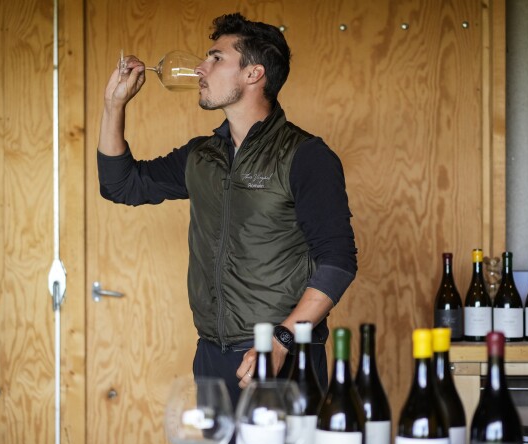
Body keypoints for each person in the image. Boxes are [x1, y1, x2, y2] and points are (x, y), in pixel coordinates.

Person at [97, 12, 357, 417]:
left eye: (216, 59)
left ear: (254, 74)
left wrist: (283, 340)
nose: (201, 68)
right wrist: (113, 105)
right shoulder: (201, 156)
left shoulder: (307, 156)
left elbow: (338, 263)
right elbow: (121, 185)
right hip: (213, 359)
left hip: (280, 360)